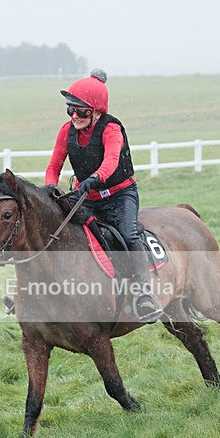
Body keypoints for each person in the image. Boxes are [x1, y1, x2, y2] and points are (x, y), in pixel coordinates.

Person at [44, 68, 163, 323]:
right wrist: (50, 186)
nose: (74, 116)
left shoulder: (111, 129)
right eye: (70, 109)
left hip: (120, 196)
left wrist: (95, 178)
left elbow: (111, 161)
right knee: (58, 230)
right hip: (87, 195)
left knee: (129, 235)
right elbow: (54, 166)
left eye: (82, 111)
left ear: (97, 112)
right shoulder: (66, 131)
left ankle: (144, 293)